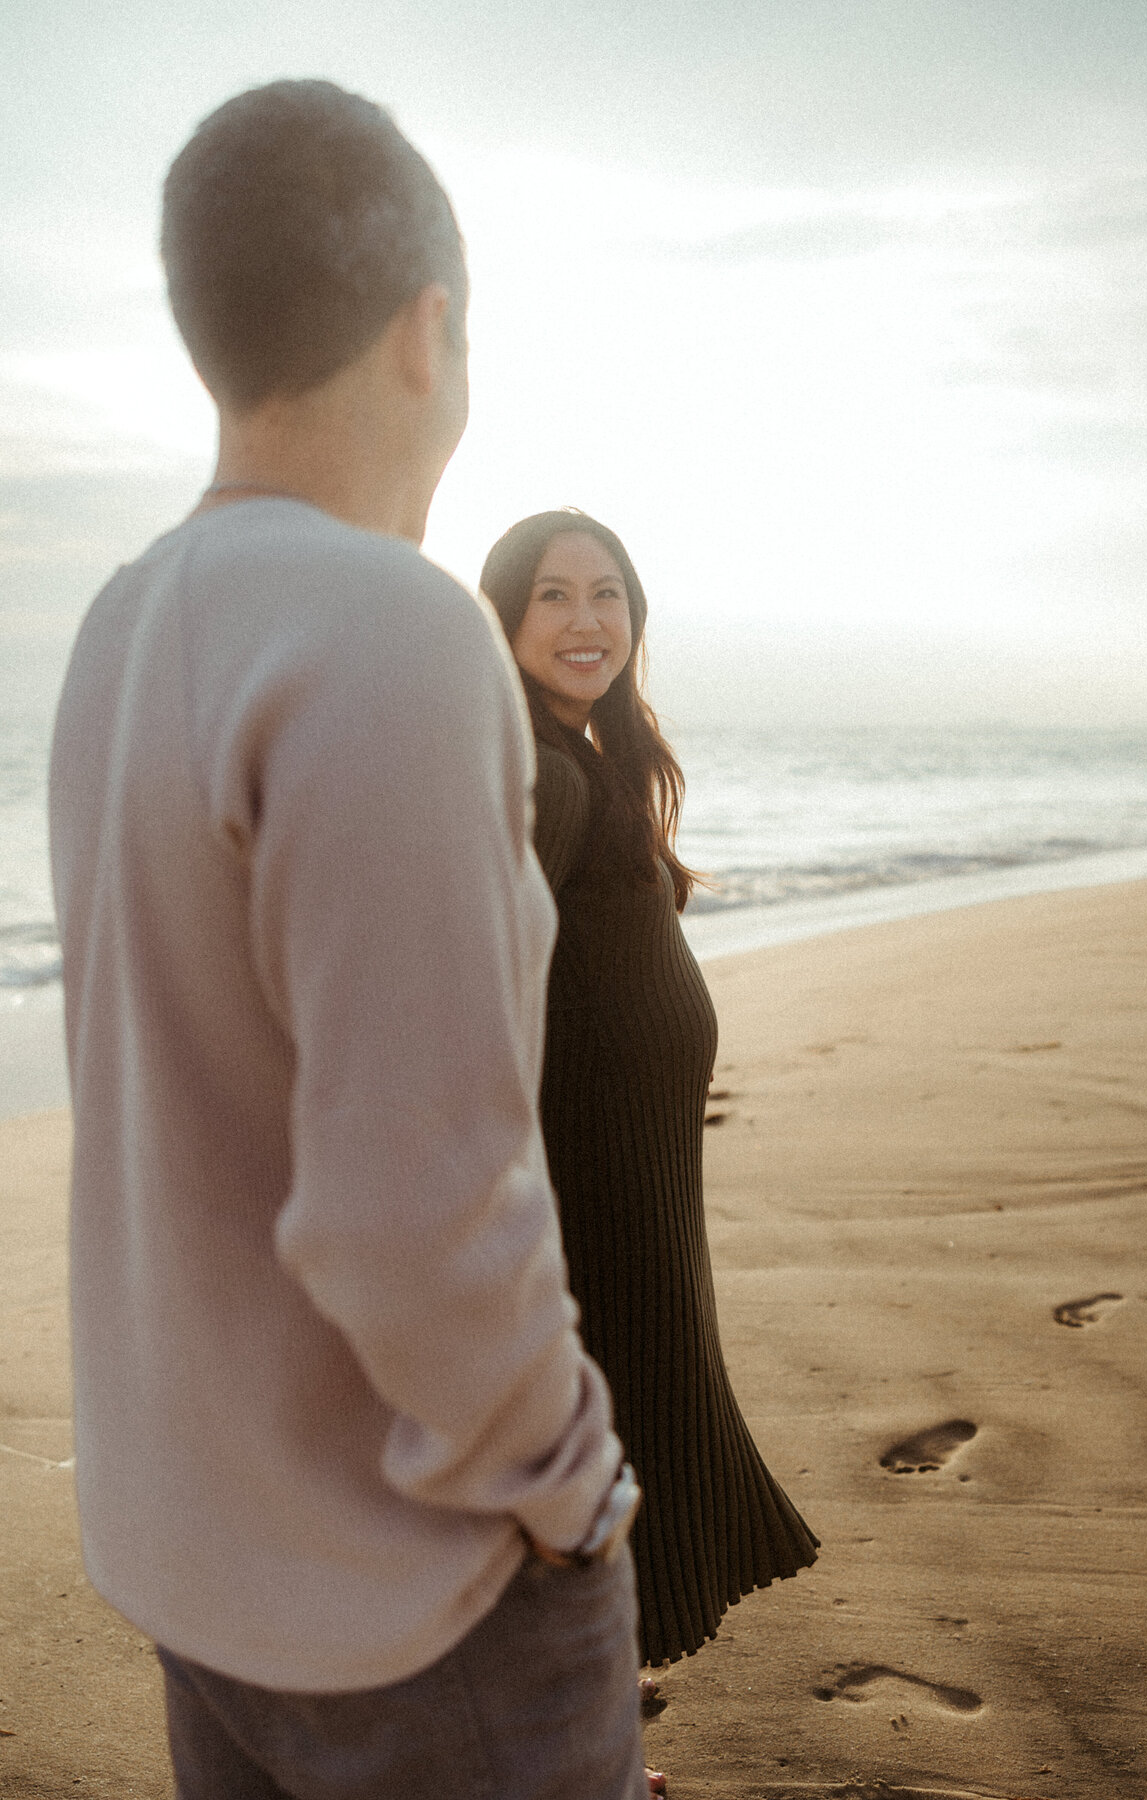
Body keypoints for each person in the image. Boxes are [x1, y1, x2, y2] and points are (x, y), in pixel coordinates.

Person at [49, 85, 649, 1800]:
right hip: (413, 1592)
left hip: (194, 1567)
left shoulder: (117, 622)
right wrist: (573, 1490)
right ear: (431, 329)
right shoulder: (393, 626)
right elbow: (412, 1205)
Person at [480, 510, 820, 1678]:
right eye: (554, 597)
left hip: (637, 1175)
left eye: (608, 593)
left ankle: (596, 1712)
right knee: (606, 1444)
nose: (587, 621)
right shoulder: (538, 769)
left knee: (637, 1431)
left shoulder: (587, 750)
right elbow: (465, 942)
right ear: (505, 618)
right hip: (587, 1184)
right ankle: (572, 1724)